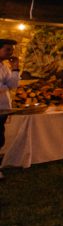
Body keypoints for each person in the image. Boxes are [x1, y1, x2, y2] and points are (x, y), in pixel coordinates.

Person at [0, 39, 21, 180]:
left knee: (0, 138)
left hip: (3, 108)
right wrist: (4, 86)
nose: (11, 52)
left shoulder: (4, 67)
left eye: (11, 50)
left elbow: (13, 85)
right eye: (8, 49)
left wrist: (15, 68)